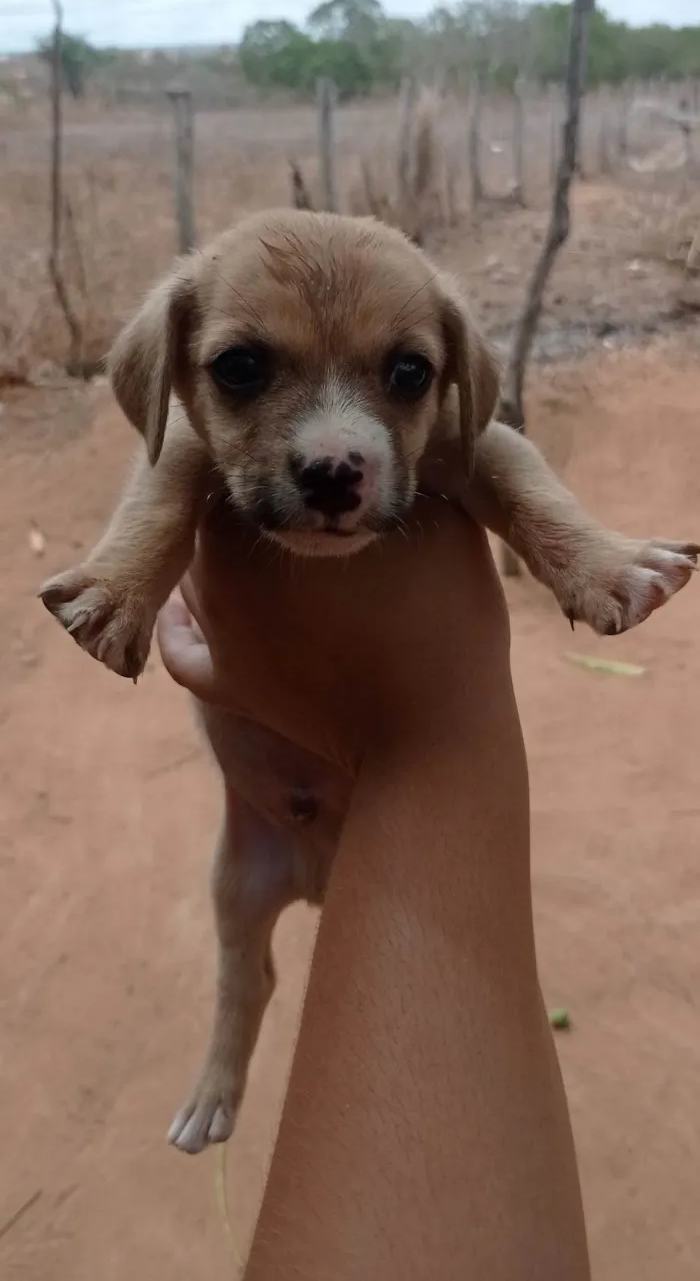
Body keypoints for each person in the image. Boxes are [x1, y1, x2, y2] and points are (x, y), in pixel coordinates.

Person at [157, 496, 591, 1281]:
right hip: (270, 812)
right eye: (246, 364)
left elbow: (489, 454)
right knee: (239, 909)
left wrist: (576, 550)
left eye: (404, 368)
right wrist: (121, 578)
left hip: (376, 786)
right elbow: (166, 473)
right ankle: (233, 1033)